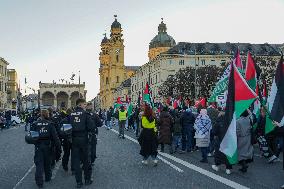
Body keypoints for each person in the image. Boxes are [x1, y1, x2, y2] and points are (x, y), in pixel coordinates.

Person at [30, 109, 61, 188]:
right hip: (47, 145)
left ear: (41, 115)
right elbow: (55, 137)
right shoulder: (50, 124)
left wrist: (35, 143)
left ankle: (39, 182)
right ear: (47, 114)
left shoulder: (35, 124)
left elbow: (31, 136)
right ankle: (48, 177)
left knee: (39, 164)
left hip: (38, 145)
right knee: (47, 162)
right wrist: (59, 146)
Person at [71, 99, 95, 188]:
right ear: (80, 105)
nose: (85, 106)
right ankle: (87, 180)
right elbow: (92, 127)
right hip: (84, 139)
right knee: (86, 161)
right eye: (84, 104)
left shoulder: (71, 114)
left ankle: (79, 182)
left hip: (74, 140)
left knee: (76, 162)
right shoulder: (85, 114)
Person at [211, 109, 232, 175]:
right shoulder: (229, 121)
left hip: (219, 140)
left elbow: (214, 132)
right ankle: (228, 169)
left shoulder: (218, 122)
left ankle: (217, 166)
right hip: (228, 140)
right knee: (227, 154)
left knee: (218, 153)